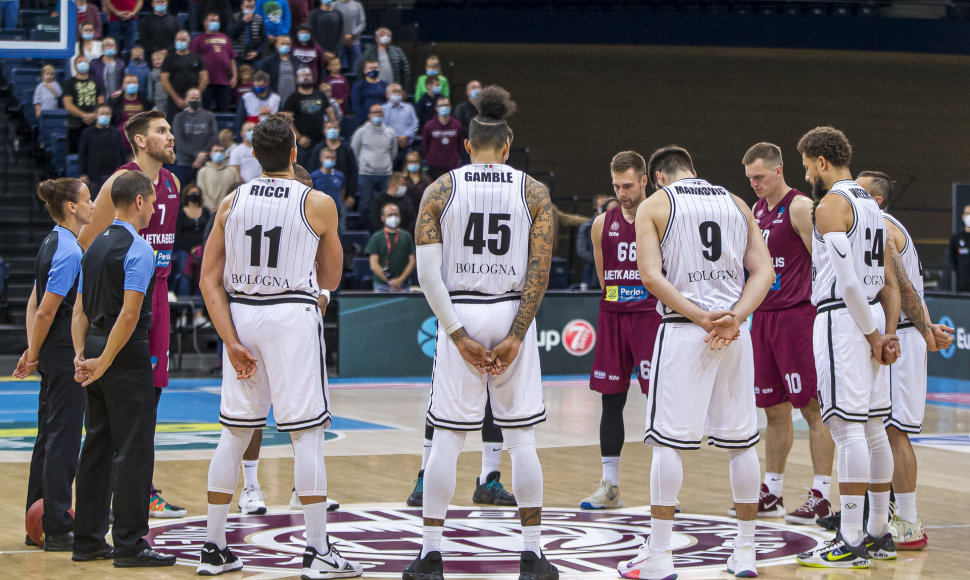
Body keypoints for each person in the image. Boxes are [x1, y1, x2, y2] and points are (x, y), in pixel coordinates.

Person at [403, 85, 558, 580]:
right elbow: (540, 269)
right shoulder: (533, 191)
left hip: (461, 311)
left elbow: (428, 275)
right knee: (521, 440)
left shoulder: (440, 190)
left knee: (447, 441)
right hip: (512, 307)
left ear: (466, 146)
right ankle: (532, 555)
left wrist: (456, 334)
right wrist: (515, 333)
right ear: (508, 147)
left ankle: (430, 555)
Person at [196, 113, 361, 578]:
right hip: (290, 314)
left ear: (253, 156)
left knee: (233, 433)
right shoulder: (318, 202)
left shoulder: (230, 201)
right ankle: (317, 550)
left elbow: (209, 279)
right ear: (294, 153)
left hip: (242, 317)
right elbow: (329, 278)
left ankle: (213, 548)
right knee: (306, 433)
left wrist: (229, 339)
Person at [617, 146, 774, 579]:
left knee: (668, 444)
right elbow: (764, 271)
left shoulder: (656, 205)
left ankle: (661, 556)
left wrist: (700, 316)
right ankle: (745, 553)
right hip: (734, 334)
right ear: (694, 171)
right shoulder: (737, 202)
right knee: (742, 443)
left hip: (686, 330)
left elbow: (650, 276)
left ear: (659, 177)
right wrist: (734, 317)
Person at [793, 126, 901, 569]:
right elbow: (885, 280)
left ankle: (851, 538)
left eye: (806, 167)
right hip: (871, 314)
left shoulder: (832, 204)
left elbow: (850, 280)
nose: (807, 176)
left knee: (848, 429)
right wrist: (884, 331)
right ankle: (879, 532)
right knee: (874, 428)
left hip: (845, 318)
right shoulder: (873, 207)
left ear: (821, 162)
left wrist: (873, 335)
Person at [78, 110, 188, 520]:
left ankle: (141, 489)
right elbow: (89, 242)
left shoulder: (173, 183)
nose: (170, 136)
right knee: (119, 403)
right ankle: (120, 492)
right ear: (140, 141)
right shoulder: (117, 185)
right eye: (162, 131)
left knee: (150, 398)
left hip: (158, 294)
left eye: (170, 130)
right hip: (124, 297)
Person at [71, 169, 176, 567]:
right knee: (133, 448)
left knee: (96, 444)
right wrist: (107, 360)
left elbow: (79, 311)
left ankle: (88, 541)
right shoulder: (140, 249)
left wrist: (83, 355)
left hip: (95, 346)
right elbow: (131, 315)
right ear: (137, 201)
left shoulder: (93, 246)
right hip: (123, 353)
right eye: (151, 201)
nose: (154, 208)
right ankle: (131, 544)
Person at [739, 142, 836, 525]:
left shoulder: (799, 207)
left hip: (798, 317)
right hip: (762, 318)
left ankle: (822, 495)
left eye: (759, 177)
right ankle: (772, 491)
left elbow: (824, 262)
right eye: (749, 179)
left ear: (778, 171)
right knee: (772, 409)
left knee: (812, 408)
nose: (755, 185)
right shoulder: (756, 211)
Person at [855, 170, 953, 551]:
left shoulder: (879, 225)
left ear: (875, 201)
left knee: (893, 431)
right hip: (903, 332)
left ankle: (909, 523)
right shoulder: (876, 223)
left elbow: (903, 288)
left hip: (900, 337)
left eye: (858, 191)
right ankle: (881, 515)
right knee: (878, 428)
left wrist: (924, 330)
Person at [577, 152, 660, 511]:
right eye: (616, 186)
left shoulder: (660, 216)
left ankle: (663, 489)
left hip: (650, 317)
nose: (622, 193)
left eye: (628, 185)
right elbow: (603, 274)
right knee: (611, 399)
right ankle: (610, 485)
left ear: (644, 181)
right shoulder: (601, 224)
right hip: (613, 316)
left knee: (660, 402)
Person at [16, 179, 95, 552]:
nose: (93, 205)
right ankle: (60, 525)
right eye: (87, 200)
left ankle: (39, 521)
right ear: (71, 208)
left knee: (47, 437)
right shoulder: (69, 250)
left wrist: (33, 349)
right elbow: (47, 309)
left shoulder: (51, 240)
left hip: (50, 348)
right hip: (63, 350)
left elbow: (34, 304)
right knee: (64, 438)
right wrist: (32, 354)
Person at [351, 103, 396, 230]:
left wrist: (384, 163)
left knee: (385, 204)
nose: (377, 115)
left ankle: (385, 228)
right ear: (369, 115)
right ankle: (363, 228)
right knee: (365, 204)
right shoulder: (361, 131)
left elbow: (393, 152)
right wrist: (364, 164)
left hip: (385, 174)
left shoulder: (390, 132)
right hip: (366, 173)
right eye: (374, 113)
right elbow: (354, 150)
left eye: (379, 113)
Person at [284, 67, 332, 167]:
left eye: (308, 75)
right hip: (302, 144)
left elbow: (330, 113)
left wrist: (329, 130)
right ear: (297, 79)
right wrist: (299, 138)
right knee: (304, 173)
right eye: (302, 75)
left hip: (320, 141)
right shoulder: (292, 98)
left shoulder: (320, 95)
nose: (306, 77)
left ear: (312, 77)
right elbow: (287, 121)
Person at [192, 12, 238, 113]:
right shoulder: (199, 39)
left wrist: (234, 76)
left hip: (224, 81)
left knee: (224, 111)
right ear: (205, 23)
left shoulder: (225, 38)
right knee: (205, 111)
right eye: (212, 20)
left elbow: (232, 59)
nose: (215, 23)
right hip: (206, 82)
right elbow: (193, 60)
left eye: (217, 21)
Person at [366, 201, 415, 292]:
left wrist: (400, 280)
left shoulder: (406, 236)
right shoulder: (377, 237)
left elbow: (412, 261)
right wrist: (390, 281)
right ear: (382, 218)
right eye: (390, 215)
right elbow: (374, 264)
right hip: (382, 285)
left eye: (396, 214)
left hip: (403, 284)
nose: (394, 217)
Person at [172, 184, 211, 297]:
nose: (195, 196)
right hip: (185, 249)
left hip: (203, 249)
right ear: (186, 195)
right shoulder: (180, 213)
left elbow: (209, 231)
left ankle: (199, 310)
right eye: (192, 193)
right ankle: (183, 310)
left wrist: (201, 247)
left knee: (202, 278)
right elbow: (178, 235)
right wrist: (190, 249)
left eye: (197, 193)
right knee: (185, 277)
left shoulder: (205, 211)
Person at [172, 87, 219, 181]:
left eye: (197, 98)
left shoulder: (209, 116)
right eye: (192, 98)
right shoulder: (179, 117)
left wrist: (203, 154)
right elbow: (178, 140)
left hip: (205, 162)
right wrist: (197, 154)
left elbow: (214, 137)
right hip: (184, 163)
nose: (195, 100)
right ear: (186, 99)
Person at [161, 30, 209, 121]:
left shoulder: (197, 57)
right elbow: (164, 80)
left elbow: (204, 78)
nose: (180, 42)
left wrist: (194, 97)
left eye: (183, 40)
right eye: (178, 39)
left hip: (194, 101)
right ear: (175, 41)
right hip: (174, 101)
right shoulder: (169, 58)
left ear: (189, 42)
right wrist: (176, 99)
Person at [79, 104, 126, 196]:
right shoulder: (87, 133)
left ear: (111, 115)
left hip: (113, 176)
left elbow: (121, 154)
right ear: (96, 115)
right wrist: (83, 173)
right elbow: (82, 155)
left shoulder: (116, 133)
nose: (104, 116)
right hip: (94, 176)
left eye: (107, 114)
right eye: (102, 113)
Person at [64, 56, 105, 154]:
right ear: (74, 66)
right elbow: (68, 105)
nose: (83, 63)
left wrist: (94, 115)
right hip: (75, 125)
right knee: (75, 154)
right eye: (79, 62)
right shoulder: (69, 82)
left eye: (85, 61)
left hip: (95, 124)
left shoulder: (97, 81)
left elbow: (101, 102)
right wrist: (84, 115)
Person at [108, 74, 152, 156]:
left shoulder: (146, 102)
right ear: (123, 85)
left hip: (140, 145)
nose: (132, 85)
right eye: (128, 83)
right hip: (120, 145)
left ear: (138, 85)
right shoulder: (114, 102)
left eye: (134, 83)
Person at [358, 27, 411, 92]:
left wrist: (405, 89)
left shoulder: (398, 51)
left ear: (391, 38)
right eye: (382, 35)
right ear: (376, 38)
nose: (385, 37)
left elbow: (406, 71)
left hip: (394, 90)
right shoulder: (368, 52)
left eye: (388, 35)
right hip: (374, 89)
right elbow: (360, 70)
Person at [421, 96, 462, 180]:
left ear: (450, 107)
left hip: (452, 167)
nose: (444, 108)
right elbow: (425, 146)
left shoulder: (457, 125)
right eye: (441, 105)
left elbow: (460, 145)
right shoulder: (429, 126)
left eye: (446, 105)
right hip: (434, 168)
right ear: (436, 108)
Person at [383, 83, 419, 166]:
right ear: (387, 95)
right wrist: (396, 139)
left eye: (399, 91)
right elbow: (383, 127)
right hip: (389, 148)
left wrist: (405, 137)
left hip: (406, 146)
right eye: (394, 91)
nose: (397, 93)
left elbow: (415, 124)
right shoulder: (382, 109)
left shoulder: (409, 108)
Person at [310, 147, 346, 223]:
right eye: (327, 157)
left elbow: (342, 192)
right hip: (318, 213)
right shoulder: (313, 176)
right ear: (321, 159)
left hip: (335, 213)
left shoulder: (340, 176)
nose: (330, 160)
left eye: (332, 158)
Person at [259, 35, 299, 103]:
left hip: (293, 99)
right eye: (282, 44)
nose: (285, 46)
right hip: (274, 99)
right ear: (276, 45)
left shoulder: (296, 61)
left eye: (288, 44)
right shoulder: (268, 62)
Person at [198, 143, 238, 210]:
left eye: (221, 151)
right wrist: (212, 207)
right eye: (216, 151)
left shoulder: (232, 171)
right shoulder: (203, 171)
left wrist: (225, 206)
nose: (219, 153)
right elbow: (202, 192)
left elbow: (236, 191)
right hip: (209, 211)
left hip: (228, 209)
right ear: (210, 153)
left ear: (224, 154)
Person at [229, 0, 267, 69]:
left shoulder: (258, 19)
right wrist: (243, 21)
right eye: (247, 7)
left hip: (254, 58)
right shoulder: (235, 18)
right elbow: (231, 34)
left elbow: (264, 40)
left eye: (252, 7)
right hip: (238, 58)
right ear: (242, 7)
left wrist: (257, 52)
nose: (249, 9)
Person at [333, 0, 364, 75]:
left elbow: (362, 23)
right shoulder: (333, 5)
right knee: (336, 71)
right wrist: (342, 37)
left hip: (354, 42)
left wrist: (352, 35)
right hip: (338, 43)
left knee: (356, 71)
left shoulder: (358, 5)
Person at [402, 151, 431, 230]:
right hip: (406, 217)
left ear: (420, 163)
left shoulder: (427, 180)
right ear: (406, 164)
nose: (413, 164)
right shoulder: (402, 180)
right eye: (410, 162)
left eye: (415, 161)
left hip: (423, 216)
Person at [949, 204, 970, 291]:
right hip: (962, 287)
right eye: (967, 213)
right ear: (963, 216)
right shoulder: (956, 237)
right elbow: (952, 259)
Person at [149, 49, 169, 113]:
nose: (157, 61)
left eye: (159, 59)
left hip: (169, 99)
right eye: (154, 60)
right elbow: (151, 88)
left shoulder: (168, 71)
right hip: (158, 100)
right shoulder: (152, 73)